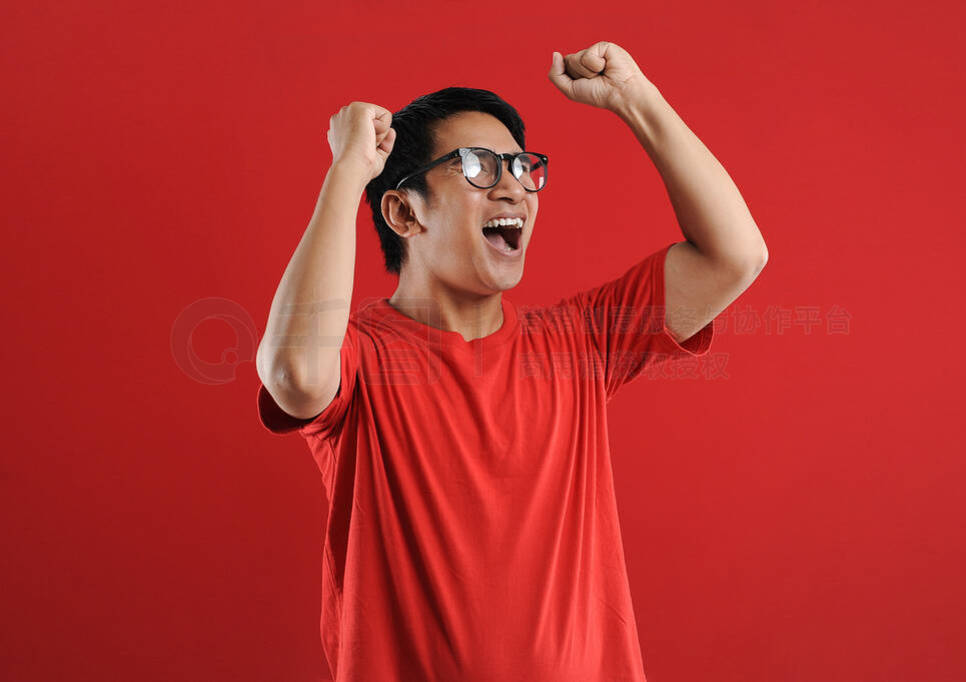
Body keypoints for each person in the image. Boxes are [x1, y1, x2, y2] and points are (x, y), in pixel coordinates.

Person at [255, 41, 767, 682]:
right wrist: (347, 171)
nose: (513, 187)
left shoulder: (580, 344)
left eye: (523, 168)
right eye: (476, 166)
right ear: (403, 210)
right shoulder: (360, 360)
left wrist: (635, 100)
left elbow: (735, 255)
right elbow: (294, 373)